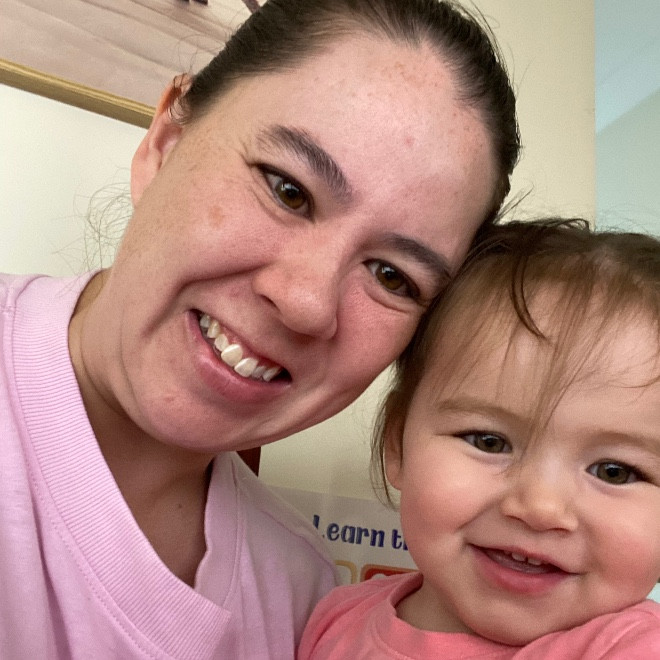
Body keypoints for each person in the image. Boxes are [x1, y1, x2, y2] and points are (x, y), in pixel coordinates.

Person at [0, 0, 520, 658]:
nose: (306, 302)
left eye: (392, 276)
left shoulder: (305, 602)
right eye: (287, 189)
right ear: (166, 144)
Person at [298, 218, 660, 659]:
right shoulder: (335, 620)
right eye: (489, 441)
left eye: (615, 471)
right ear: (397, 443)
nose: (541, 508)